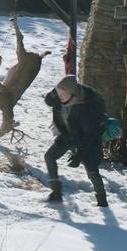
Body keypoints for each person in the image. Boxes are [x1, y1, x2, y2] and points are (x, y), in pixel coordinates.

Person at [43, 75, 108, 207]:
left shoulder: (87, 109)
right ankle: (56, 192)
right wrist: (53, 95)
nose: (59, 96)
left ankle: (102, 201)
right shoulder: (59, 98)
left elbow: (90, 136)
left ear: (72, 93)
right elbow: (51, 99)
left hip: (87, 138)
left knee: (91, 169)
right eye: (58, 92)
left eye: (62, 93)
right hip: (68, 134)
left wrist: (78, 156)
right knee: (49, 157)